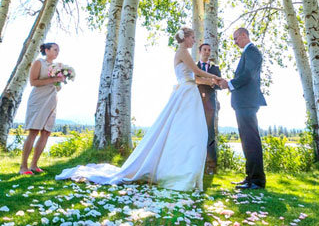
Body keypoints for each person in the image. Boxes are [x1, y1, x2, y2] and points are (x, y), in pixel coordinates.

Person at [56, 27, 221, 191]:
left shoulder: (184, 52)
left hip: (188, 92)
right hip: (186, 94)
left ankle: (183, 169)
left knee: (189, 132)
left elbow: (195, 78)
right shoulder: (183, 51)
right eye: (192, 37)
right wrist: (215, 77)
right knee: (186, 131)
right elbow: (196, 71)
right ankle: (178, 171)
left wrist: (210, 81)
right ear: (185, 38)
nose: (194, 41)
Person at [220, 28, 266, 190]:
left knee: (251, 141)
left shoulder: (252, 52)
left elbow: (248, 75)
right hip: (243, 103)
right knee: (246, 141)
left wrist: (229, 84)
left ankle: (258, 180)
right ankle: (250, 177)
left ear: (244, 35)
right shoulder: (247, 53)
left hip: (247, 102)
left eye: (235, 38)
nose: (235, 42)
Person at [19, 42, 64, 175]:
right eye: (55, 49)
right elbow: (33, 82)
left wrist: (58, 82)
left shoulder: (58, 66)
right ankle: (23, 167)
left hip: (52, 100)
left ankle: (34, 165)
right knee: (34, 131)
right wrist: (53, 79)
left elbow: (57, 86)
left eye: (58, 50)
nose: (57, 52)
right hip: (38, 100)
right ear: (46, 50)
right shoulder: (39, 63)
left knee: (46, 132)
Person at [196, 43, 221, 174]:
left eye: (209, 50)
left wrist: (212, 83)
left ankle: (212, 166)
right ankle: (197, 163)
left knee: (210, 133)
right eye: (205, 50)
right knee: (196, 133)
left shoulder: (215, 68)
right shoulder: (195, 67)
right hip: (196, 104)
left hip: (210, 105)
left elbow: (219, 86)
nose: (207, 52)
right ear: (200, 51)